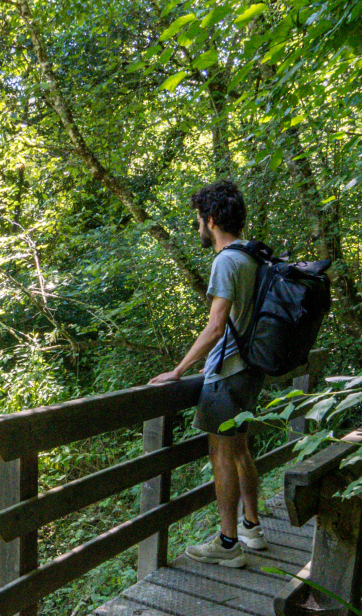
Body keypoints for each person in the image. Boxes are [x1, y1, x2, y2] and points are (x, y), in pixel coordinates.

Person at [149, 180, 267, 567]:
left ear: (211, 221)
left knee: (221, 452)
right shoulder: (253, 257)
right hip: (250, 369)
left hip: (228, 371)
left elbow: (217, 326)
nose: (197, 227)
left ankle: (229, 544)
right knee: (240, 448)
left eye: (199, 220)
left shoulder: (226, 260)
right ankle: (252, 528)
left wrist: (179, 369)